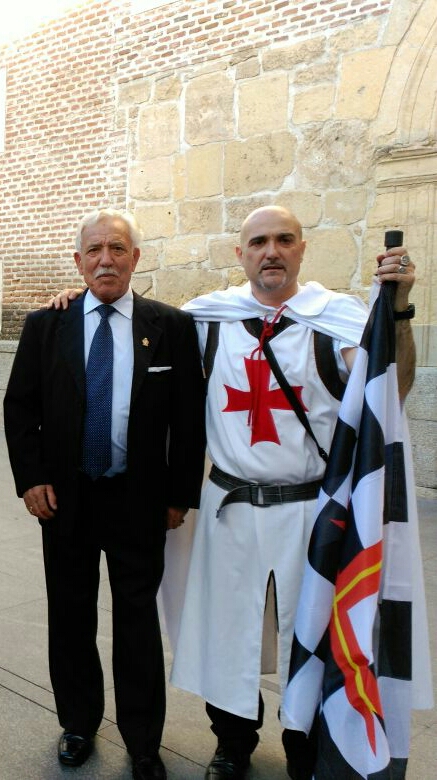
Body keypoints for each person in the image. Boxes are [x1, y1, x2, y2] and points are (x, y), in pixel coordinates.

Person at [167, 205, 417, 780]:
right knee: (230, 631)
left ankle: (304, 744)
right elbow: (140, 335)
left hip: (308, 509)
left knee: (310, 631)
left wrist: (399, 312)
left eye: (284, 239)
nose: (271, 251)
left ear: (302, 248)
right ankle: (232, 742)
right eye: (258, 242)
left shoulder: (334, 320)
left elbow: (392, 389)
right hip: (230, 509)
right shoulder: (209, 320)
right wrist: (74, 301)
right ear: (241, 254)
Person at [3, 208, 206, 780]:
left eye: (117, 249)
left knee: (137, 622)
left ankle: (143, 741)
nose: (106, 259)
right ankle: (77, 723)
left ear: (135, 258)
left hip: (137, 500)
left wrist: (179, 494)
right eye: (94, 250)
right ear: (79, 261)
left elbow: (189, 419)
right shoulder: (47, 325)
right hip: (65, 500)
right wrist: (31, 478)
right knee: (69, 616)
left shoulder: (170, 326)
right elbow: (19, 406)